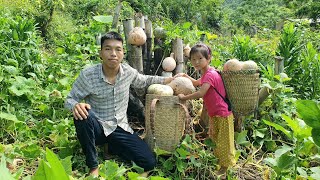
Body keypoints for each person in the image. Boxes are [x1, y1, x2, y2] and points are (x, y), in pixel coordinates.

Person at [64, 31, 173, 177]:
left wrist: (168, 80)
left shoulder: (127, 72)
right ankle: (93, 166)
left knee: (149, 162)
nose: (113, 53)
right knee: (84, 115)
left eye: (118, 49)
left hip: (120, 127)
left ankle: (113, 146)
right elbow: (70, 99)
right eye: (108, 49)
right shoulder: (88, 75)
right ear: (100, 53)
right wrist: (75, 105)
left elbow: (144, 80)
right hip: (97, 128)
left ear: (123, 54)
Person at [175, 43, 235, 175]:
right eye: (193, 59)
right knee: (215, 139)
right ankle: (219, 164)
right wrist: (187, 77)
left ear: (208, 59)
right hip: (215, 114)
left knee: (224, 142)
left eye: (200, 58)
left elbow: (201, 93)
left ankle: (225, 169)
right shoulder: (207, 72)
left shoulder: (209, 75)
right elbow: (197, 83)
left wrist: (184, 97)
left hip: (222, 113)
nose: (196, 61)